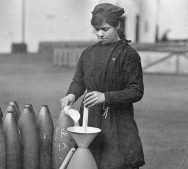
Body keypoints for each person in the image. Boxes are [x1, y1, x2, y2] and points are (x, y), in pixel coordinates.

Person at [60, 3, 145, 169]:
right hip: (90, 118)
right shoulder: (88, 53)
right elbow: (79, 81)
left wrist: (105, 97)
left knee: (115, 163)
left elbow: (136, 91)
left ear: (118, 25)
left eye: (105, 29)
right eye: (96, 29)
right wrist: (71, 95)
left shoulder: (129, 55)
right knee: (89, 161)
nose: (100, 34)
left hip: (117, 122)